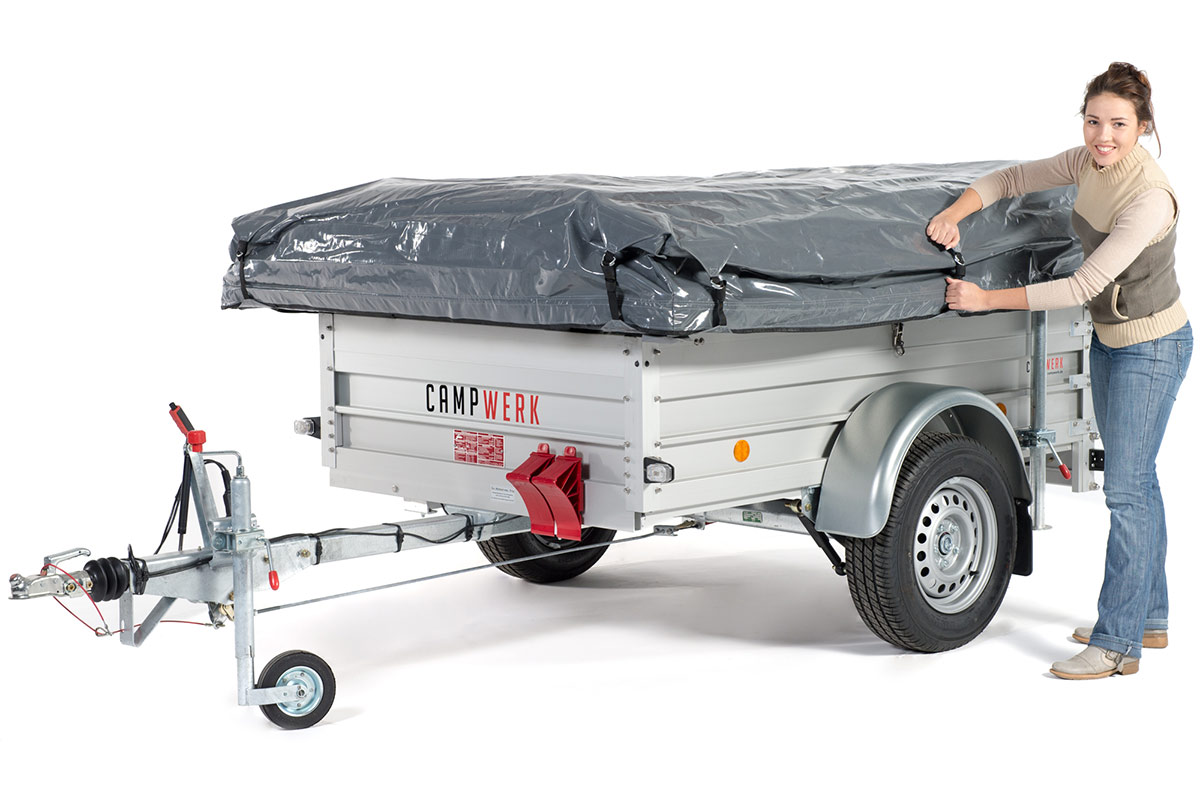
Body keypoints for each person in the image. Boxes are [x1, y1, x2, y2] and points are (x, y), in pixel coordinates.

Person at [926, 62, 1191, 679]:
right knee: (1138, 483)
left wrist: (985, 300)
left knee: (1127, 490)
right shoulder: (1086, 163)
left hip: (1152, 347)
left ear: (1144, 126)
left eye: (1118, 124)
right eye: (1093, 121)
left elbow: (1083, 284)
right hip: (1112, 340)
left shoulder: (1149, 198)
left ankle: (1117, 642)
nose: (1103, 135)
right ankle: (1148, 617)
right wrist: (956, 213)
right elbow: (1011, 179)